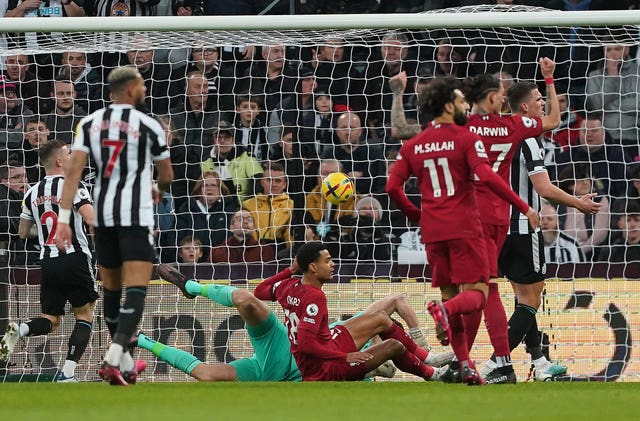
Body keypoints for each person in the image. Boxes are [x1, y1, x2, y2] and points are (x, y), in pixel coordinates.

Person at [385, 75, 539, 385]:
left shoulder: (417, 143)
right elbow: (487, 175)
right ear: (448, 105)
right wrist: (522, 206)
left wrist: (417, 215)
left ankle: (464, 363)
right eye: (458, 101)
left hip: (432, 231)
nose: (463, 105)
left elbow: (392, 186)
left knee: (453, 292)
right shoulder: (465, 137)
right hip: (469, 226)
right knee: (481, 293)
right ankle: (482, 348)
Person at [55, 65, 174, 386]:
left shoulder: (89, 123)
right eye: (143, 86)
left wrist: (64, 220)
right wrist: (158, 192)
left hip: (104, 217)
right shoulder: (149, 124)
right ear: (133, 89)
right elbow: (166, 176)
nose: (146, 90)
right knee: (136, 289)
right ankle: (113, 355)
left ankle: (124, 363)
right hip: (136, 215)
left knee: (110, 288)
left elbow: (73, 173)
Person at [477, 80, 601, 382]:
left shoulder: (494, 135)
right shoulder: (527, 139)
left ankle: (539, 360)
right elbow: (543, 188)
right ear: (524, 107)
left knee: (521, 297)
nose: (543, 103)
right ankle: (497, 363)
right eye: (539, 99)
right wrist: (578, 204)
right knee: (531, 299)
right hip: (522, 226)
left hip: (493, 227)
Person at [137, 263, 449, 382]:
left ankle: (140, 338)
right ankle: (191, 288)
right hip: (284, 343)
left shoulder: (351, 368)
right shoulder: (345, 337)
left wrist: (144, 341)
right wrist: (290, 270)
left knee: (205, 373)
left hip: (284, 364)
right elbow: (395, 304)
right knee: (246, 300)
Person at [253, 242, 447, 382]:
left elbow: (259, 290)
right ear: (313, 267)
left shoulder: (288, 285)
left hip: (329, 344)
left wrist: (290, 270)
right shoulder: (315, 297)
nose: (333, 265)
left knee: (381, 317)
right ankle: (434, 375)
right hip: (324, 369)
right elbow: (305, 343)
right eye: (327, 261)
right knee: (393, 346)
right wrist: (345, 357)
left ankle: (427, 357)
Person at [0, 140, 97, 382]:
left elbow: (22, 231)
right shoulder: (73, 185)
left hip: (47, 261)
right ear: (59, 161)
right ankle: (68, 374)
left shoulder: (32, 192)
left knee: (51, 319)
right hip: (75, 257)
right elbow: (91, 219)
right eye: (68, 153)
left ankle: (21, 329)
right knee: (84, 316)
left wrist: (44, 232)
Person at [210, 209, 275, 263]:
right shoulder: (217, 251)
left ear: (254, 228)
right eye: (240, 219)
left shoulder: (265, 250)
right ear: (231, 228)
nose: (245, 222)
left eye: (249, 220)